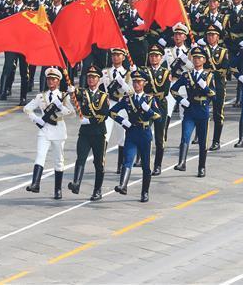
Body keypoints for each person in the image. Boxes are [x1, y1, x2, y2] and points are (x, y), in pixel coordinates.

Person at [23, 67, 74, 199]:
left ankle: (58, 190)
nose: (51, 81)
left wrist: (61, 107)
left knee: (58, 160)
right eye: (49, 79)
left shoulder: (63, 96)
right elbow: (27, 109)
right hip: (45, 130)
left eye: (53, 79)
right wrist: (37, 120)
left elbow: (72, 113)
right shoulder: (41, 96)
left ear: (58, 81)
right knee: (40, 155)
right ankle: (35, 183)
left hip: (58, 130)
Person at [110, 70, 159, 202]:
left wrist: (148, 110)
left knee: (146, 165)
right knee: (128, 160)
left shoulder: (149, 99)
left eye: (139, 82)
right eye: (135, 82)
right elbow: (112, 112)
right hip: (132, 132)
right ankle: (123, 185)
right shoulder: (127, 99)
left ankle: (145, 192)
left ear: (144, 83)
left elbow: (158, 116)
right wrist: (123, 122)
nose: (136, 84)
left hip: (144, 133)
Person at [67, 65, 110, 201]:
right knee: (80, 158)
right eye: (89, 77)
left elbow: (104, 115)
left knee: (99, 163)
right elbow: (76, 93)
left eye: (94, 77)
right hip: (85, 133)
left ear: (98, 79)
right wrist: (71, 90)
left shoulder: (104, 96)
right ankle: (76, 183)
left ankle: (97, 190)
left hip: (98, 133)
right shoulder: (83, 92)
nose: (91, 79)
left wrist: (89, 120)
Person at [170, 47, 214, 175]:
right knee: (185, 136)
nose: (196, 60)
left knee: (203, 141)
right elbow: (173, 89)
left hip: (202, 110)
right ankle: (182, 162)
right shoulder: (186, 75)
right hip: (190, 109)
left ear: (204, 60)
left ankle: (201, 167)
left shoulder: (209, 76)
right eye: (194, 58)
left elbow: (214, 95)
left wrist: (205, 87)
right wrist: (181, 100)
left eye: (199, 58)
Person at [143, 45, 172, 175]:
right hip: (147, 105)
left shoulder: (166, 72)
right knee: (144, 133)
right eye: (151, 56)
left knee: (160, 137)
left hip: (160, 105)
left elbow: (165, 91)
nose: (153, 58)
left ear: (161, 58)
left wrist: (150, 91)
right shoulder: (144, 71)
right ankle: (142, 160)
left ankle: (157, 165)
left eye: (156, 56)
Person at [203, 25, 230, 150]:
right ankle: (200, 137)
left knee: (218, 114)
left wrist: (210, 71)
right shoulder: (202, 50)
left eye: (213, 35)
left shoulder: (223, 51)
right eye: (208, 35)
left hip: (218, 86)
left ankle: (216, 141)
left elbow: (225, 69)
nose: (210, 37)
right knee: (202, 112)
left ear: (218, 37)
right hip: (204, 86)